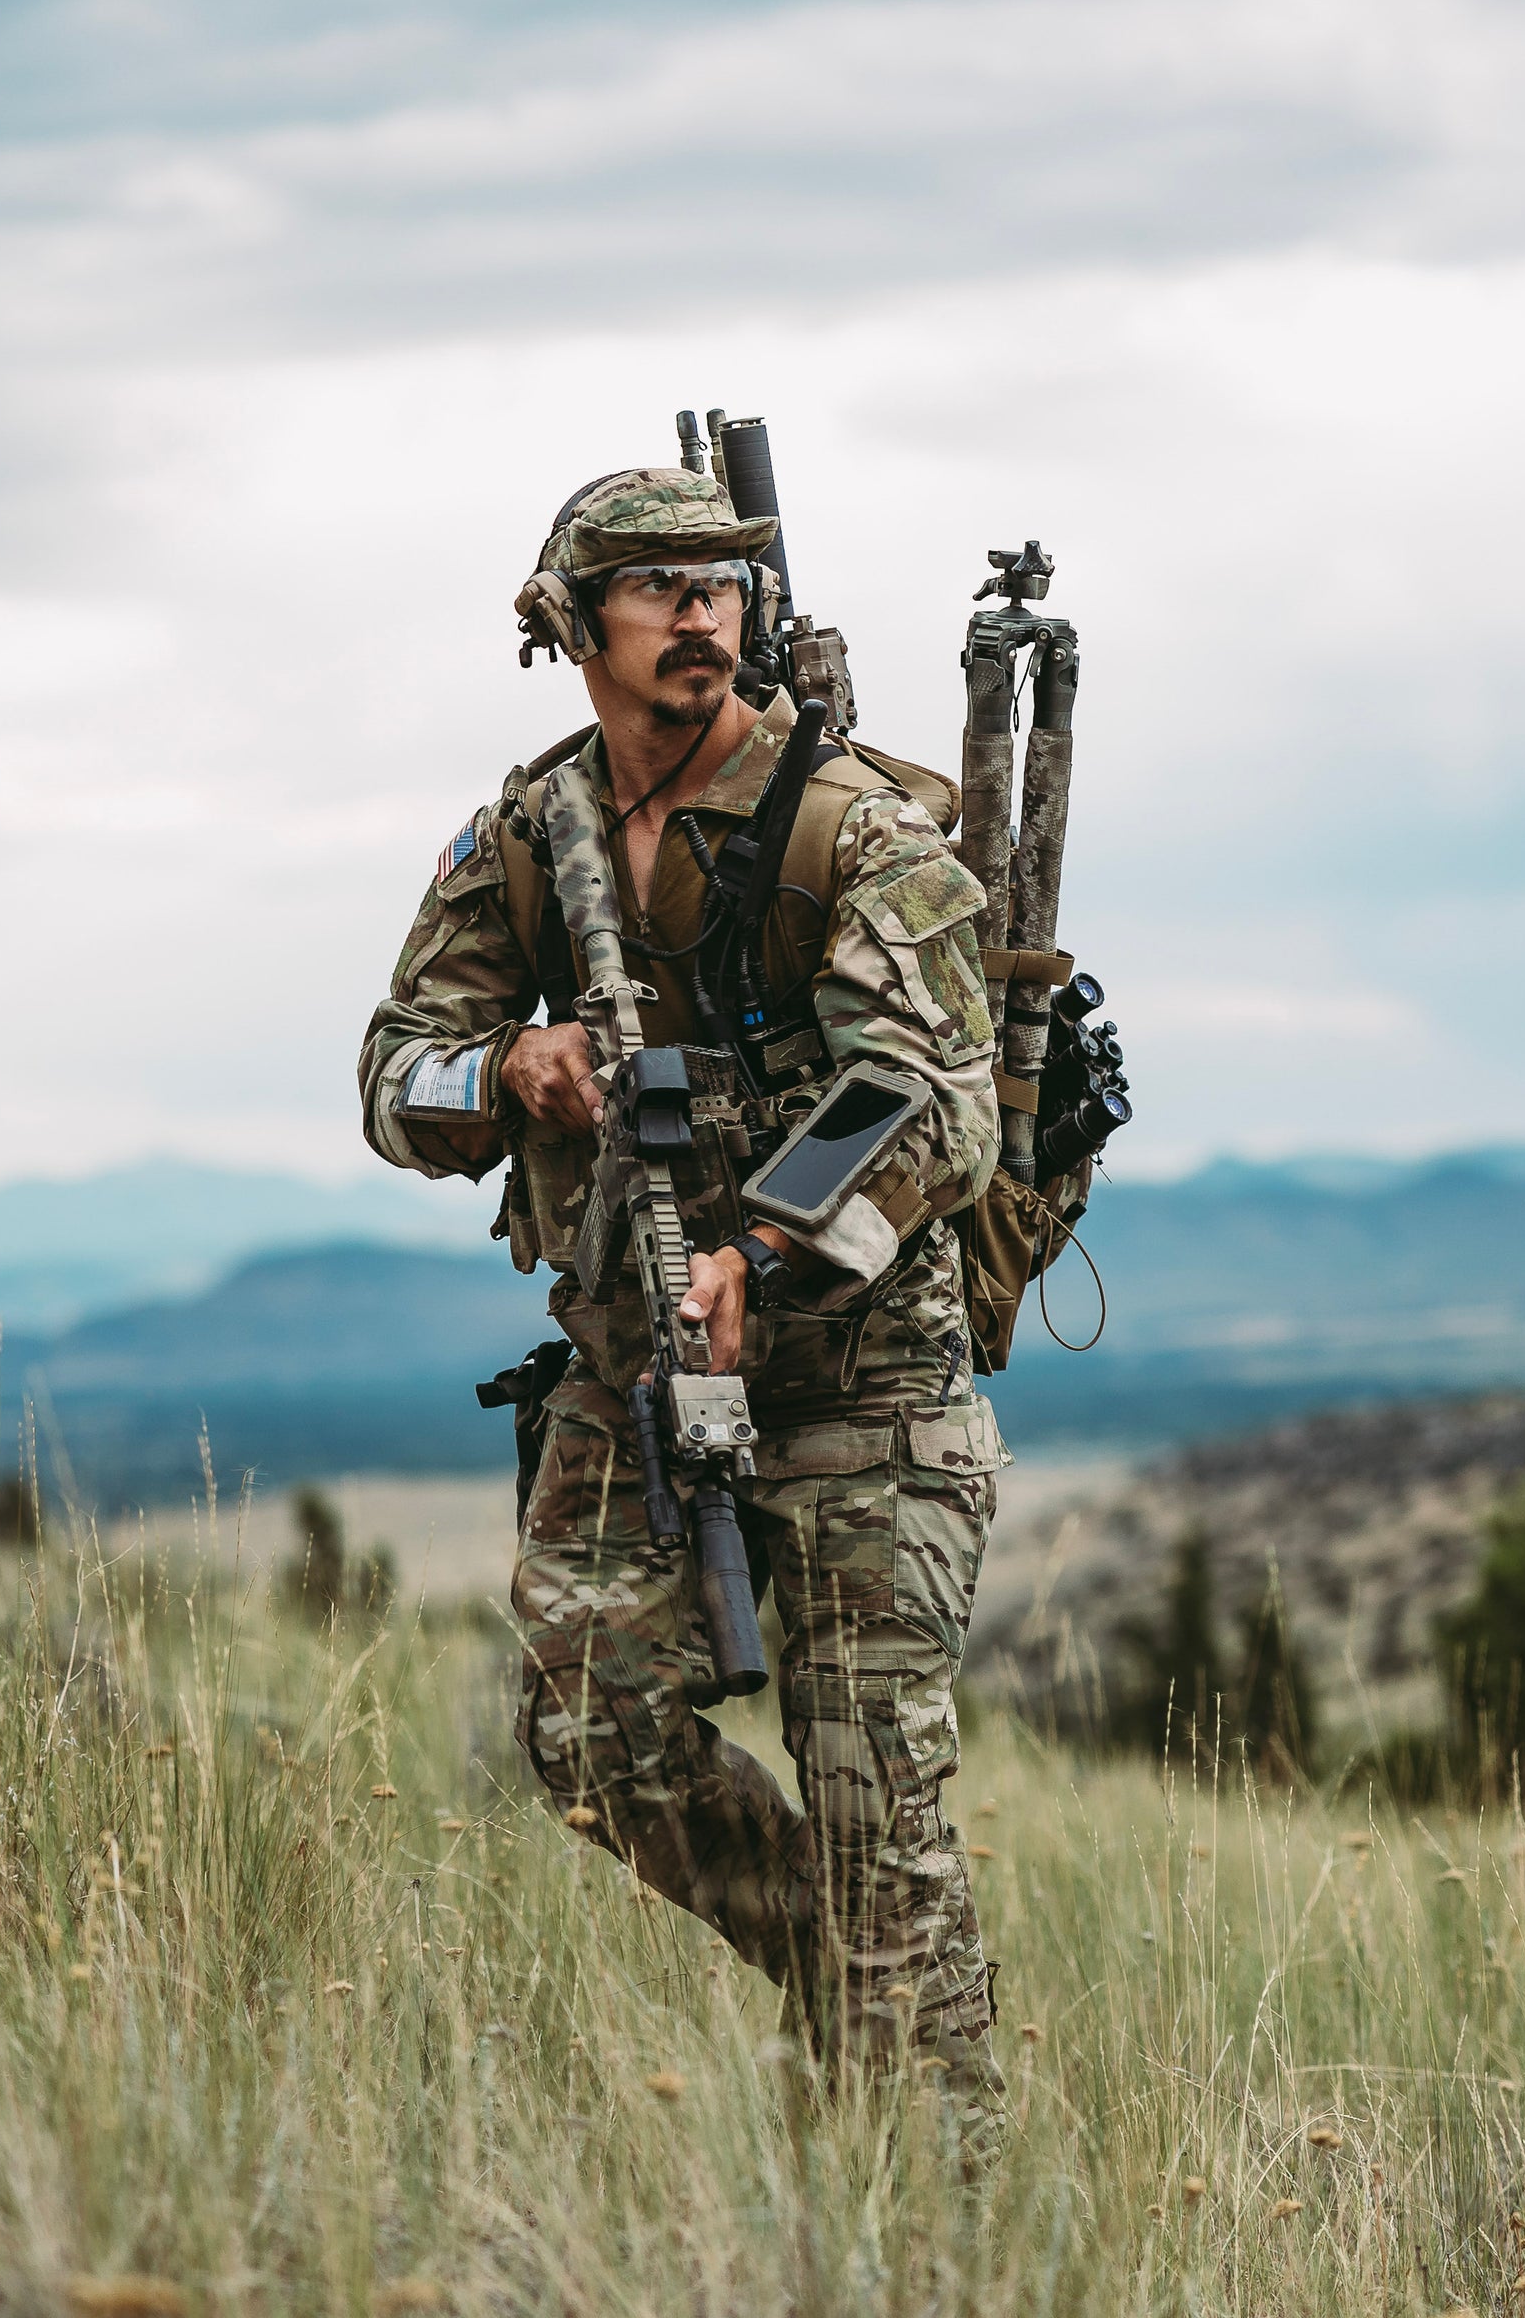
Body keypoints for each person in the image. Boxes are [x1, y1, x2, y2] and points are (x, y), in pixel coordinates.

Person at [355, 462, 1011, 2113]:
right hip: (631, 1376)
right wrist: (511, 1070)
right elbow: (388, 1077)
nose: (700, 614)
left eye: (721, 585)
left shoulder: (852, 822)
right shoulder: (526, 836)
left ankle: (946, 2194)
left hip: (862, 1385)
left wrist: (766, 1247)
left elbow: (937, 1100)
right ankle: (856, 1998)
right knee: (594, 1744)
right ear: (575, 627)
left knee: (879, 1813)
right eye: (659, 590)